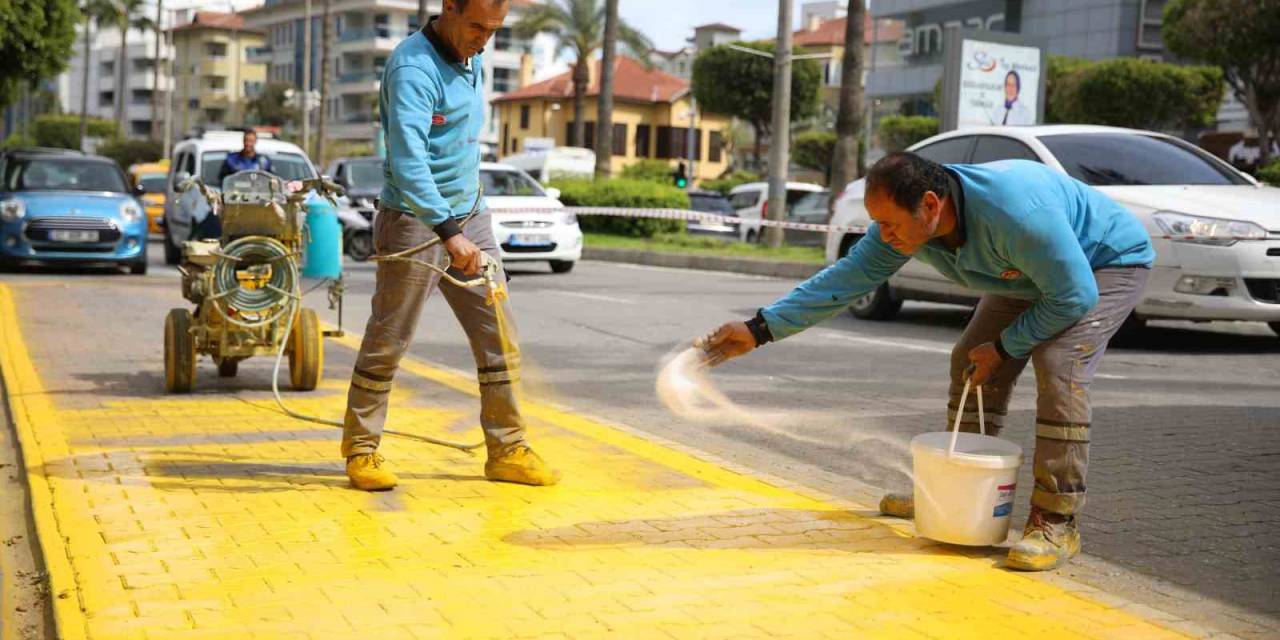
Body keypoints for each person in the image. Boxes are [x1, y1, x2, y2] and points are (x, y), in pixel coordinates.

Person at [699, 152, 1154, 571]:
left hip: (1105, 264)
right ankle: (955, 495)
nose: (884, 233)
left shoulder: (1016, 215)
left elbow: (1075, 295)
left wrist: (1004, 347)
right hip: (1034, 271)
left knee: (1058, 364)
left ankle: (1057, 520)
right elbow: (846, 279)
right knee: (967, 360)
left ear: (931, 205)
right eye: (876, 222)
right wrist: (759, 329)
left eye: (889, 223)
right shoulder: (902, 229)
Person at [341, 0, 560, 491]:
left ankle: (506, 449)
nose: (484, 39)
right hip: (416, 221)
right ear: (449, 9)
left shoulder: (473, 55)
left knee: (498, 333)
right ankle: (362, 450)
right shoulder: (413, 68)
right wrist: (449, 233)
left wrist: (467, 223)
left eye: (495, 30)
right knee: (388, 339)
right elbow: (409, 158)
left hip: (470, 216)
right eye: (477, 26)